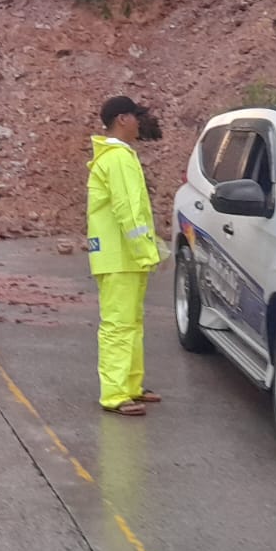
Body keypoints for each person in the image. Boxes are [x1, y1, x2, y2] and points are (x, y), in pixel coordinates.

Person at [86, 95, 165, 416]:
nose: (138, 122)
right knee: (119, 325)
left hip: (122, 258)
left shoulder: (118, 156)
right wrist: (147, 251)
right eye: (135, 116)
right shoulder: (118, 159)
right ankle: (115, 393)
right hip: (120, 258)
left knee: (131, 323)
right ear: (122, 119)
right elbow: (128, 211)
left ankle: (131, 385)